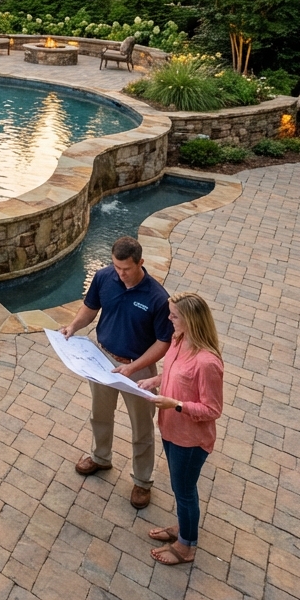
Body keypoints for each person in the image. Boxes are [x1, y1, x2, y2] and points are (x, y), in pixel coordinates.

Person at [59, 235, 173, 508]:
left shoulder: (158, 297)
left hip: (138, 368)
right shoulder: (104, 277)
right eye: (116, 267)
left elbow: (164, 342)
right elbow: (90, 308)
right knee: (99, 414)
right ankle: (100, 458)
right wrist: (73, 327)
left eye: (126, 269)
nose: (120, 274)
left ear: (140, 263)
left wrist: (133, 367)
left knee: (142, 426)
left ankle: (142, 482)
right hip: (102, 360)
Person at [137, 291, 224, 565]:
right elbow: (174, 371)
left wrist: (175, 404)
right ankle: (184, 529)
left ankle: (187, 547)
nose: (168, 318)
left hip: (190, 440)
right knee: (179, 488)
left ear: (190, 320)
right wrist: (155, 381)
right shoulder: (179, 338)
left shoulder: (208, 363)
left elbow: (212, 410)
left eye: (174, 315)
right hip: (170, 430)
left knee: (185, 492)